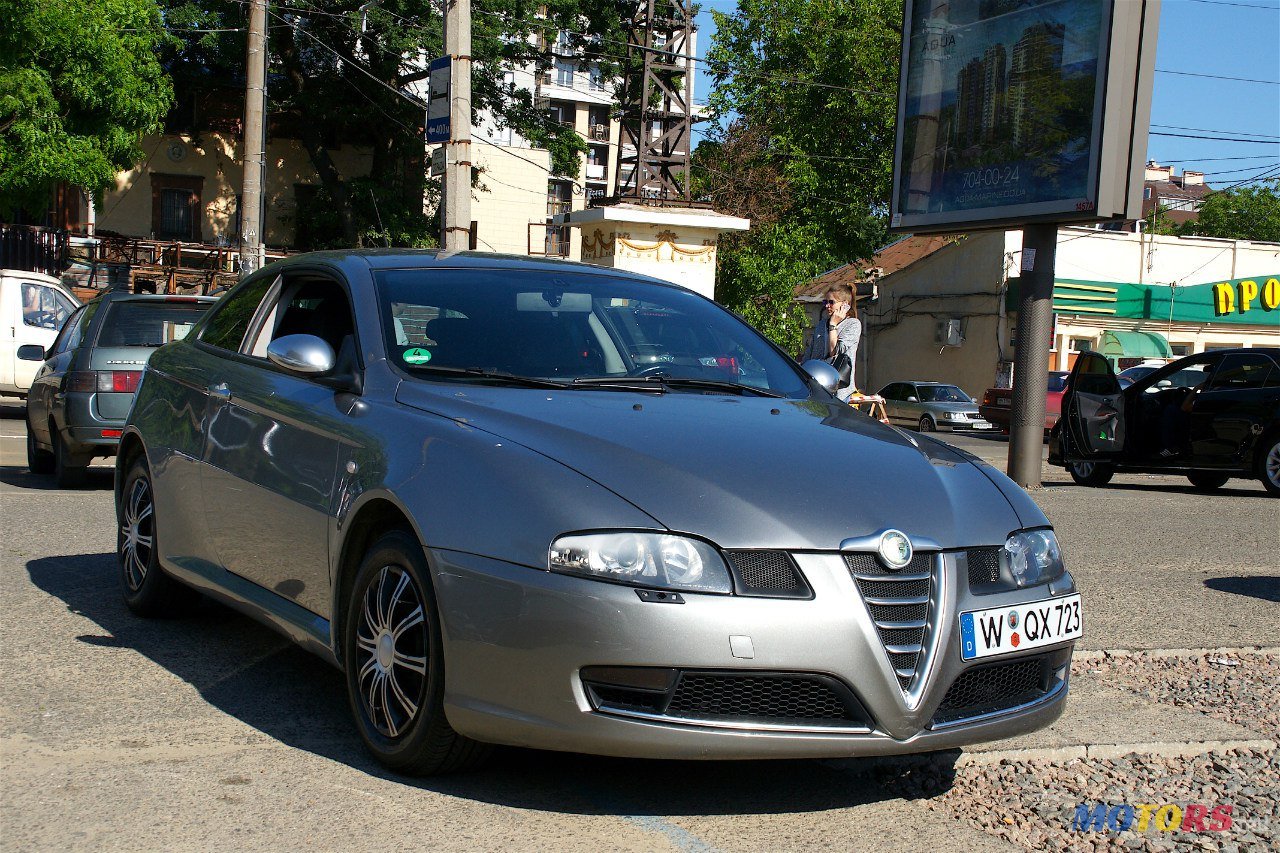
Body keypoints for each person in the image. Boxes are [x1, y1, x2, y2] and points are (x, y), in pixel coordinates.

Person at [826, 285, 862, 402]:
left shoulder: (853, 324)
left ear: (845, 304)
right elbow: (810, 354)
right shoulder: (822, 324)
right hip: (818, 386)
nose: (827, 306)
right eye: (825, 302)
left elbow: (834, 352)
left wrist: (833, 326)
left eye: (831, 302)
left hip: (839, 389)